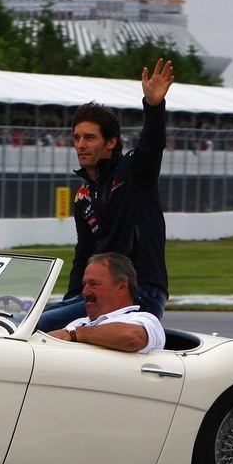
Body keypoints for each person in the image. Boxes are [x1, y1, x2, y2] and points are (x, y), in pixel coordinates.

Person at [37, 58, 174, 333]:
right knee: (27, 323)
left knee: (36, 326)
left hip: (139, 293)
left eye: (89, 138)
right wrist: (73, 299)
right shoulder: (83, 196)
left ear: (111, 142)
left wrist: (154, 106)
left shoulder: (134, 171)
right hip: (97, 295)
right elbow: (83, 256)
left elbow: (152, 144)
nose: (80, 145)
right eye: (76, 138)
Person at [46, 252, 165, 353]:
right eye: (84, 284)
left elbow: (134, 338)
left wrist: (74, 334)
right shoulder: (78, 323)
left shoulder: (145, 320)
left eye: (94, 284)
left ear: (122, 287)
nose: (85, 292)